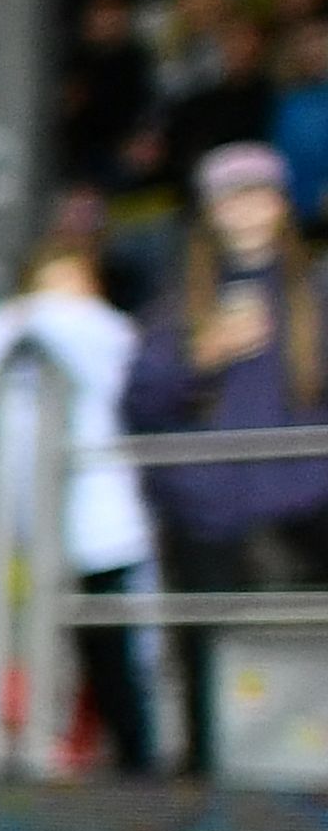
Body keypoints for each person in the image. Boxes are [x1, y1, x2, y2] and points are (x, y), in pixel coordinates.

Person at [124, 143, 328, 773]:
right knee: (207, 674)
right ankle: (210, 808)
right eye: (231, 197)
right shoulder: (178, 303)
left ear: (280, 205)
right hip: (206, 518)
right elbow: (138, 402)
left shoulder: (315, 291)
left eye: (259, 194)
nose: (246, 210)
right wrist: (200, 357)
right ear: (210, 211)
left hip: (306, 511)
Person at [0, 248, 153, 774]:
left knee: (129, 673)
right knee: (64, 673)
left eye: (70, 286)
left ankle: (146, 777)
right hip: (36, 544)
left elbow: (116, 359)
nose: (56, 304)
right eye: (43, 288)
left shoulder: (111, 338)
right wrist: (1, 322)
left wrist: (42, 313)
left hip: (112, 538)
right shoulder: (9, 347)